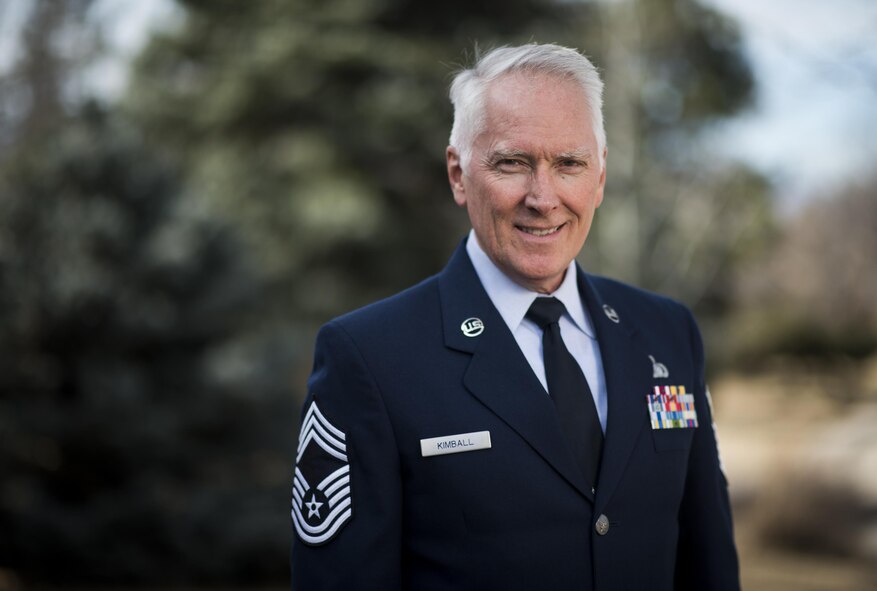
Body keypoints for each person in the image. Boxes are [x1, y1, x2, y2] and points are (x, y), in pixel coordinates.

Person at [290, 43, 739, 590]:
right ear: (459, 174)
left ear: (599, 176)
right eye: (512, 163)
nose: (543, 198)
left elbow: (710, 562)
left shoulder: (667, 332)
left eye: (569, 164)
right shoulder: (369, 358)